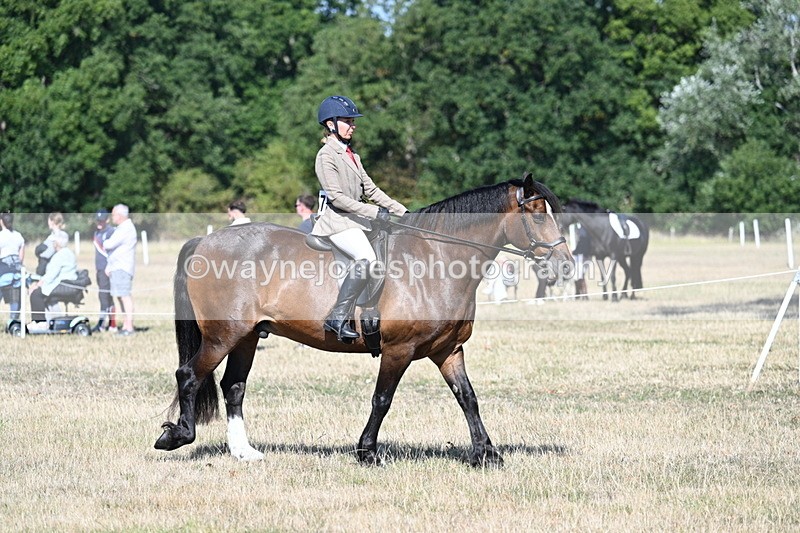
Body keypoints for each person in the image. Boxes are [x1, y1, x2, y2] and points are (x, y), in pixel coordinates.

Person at [311, 95, 408, 341]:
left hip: (357, 221)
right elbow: (338, 198)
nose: (353, 125)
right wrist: (375, 212)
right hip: (338, 222)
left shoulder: (352, 154)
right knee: (366, 258)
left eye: (353, 121)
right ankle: (337, 316)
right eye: (347, 121)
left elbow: (371, 190)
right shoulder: (326, 156)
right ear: (331, 124)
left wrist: (403, 211)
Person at [28, 232, 78, 330]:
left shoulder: (60, 255)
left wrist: (38, 285)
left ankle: (40, 322)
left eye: (53, 241)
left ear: (57, 243)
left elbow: (51, 275)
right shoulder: (68, 253)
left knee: (36, 294)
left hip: (62, 284)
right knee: (41, 293)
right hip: (66, 283)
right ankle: (50, 319)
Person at [103, 204, 137, 336]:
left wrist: (105, 241)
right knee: (120, 297)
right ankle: (125, 325)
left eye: (113, 214)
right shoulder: (122, 228)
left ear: (120, 215)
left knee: (125, 296)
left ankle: (129, 327)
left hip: (122, 267)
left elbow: (109, 244)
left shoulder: (126, 228)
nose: (112, 217)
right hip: (117, 267)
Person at [92, 209, 116, 332]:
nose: (99, 222)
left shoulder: (111, 232)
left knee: (104, 296)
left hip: (107, 269)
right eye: (98, 220)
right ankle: (112, 324)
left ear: (107, 220)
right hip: (99, 269)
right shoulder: (97, 233)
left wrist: (109, 266)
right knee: (106, 296)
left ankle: (102, 324)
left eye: (102, 220)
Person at [0, 212, 25, 321]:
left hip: (3, 271)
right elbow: (21, 256)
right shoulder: (18, 235)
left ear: (1, 222)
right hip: (16, 272)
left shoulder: (1, 236)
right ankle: (13, 321)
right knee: (15, 299)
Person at [35, 212, 69, 277]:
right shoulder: (65, 235)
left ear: (52, 222)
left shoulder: (52, 238)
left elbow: (45, 255)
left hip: (51, 268)